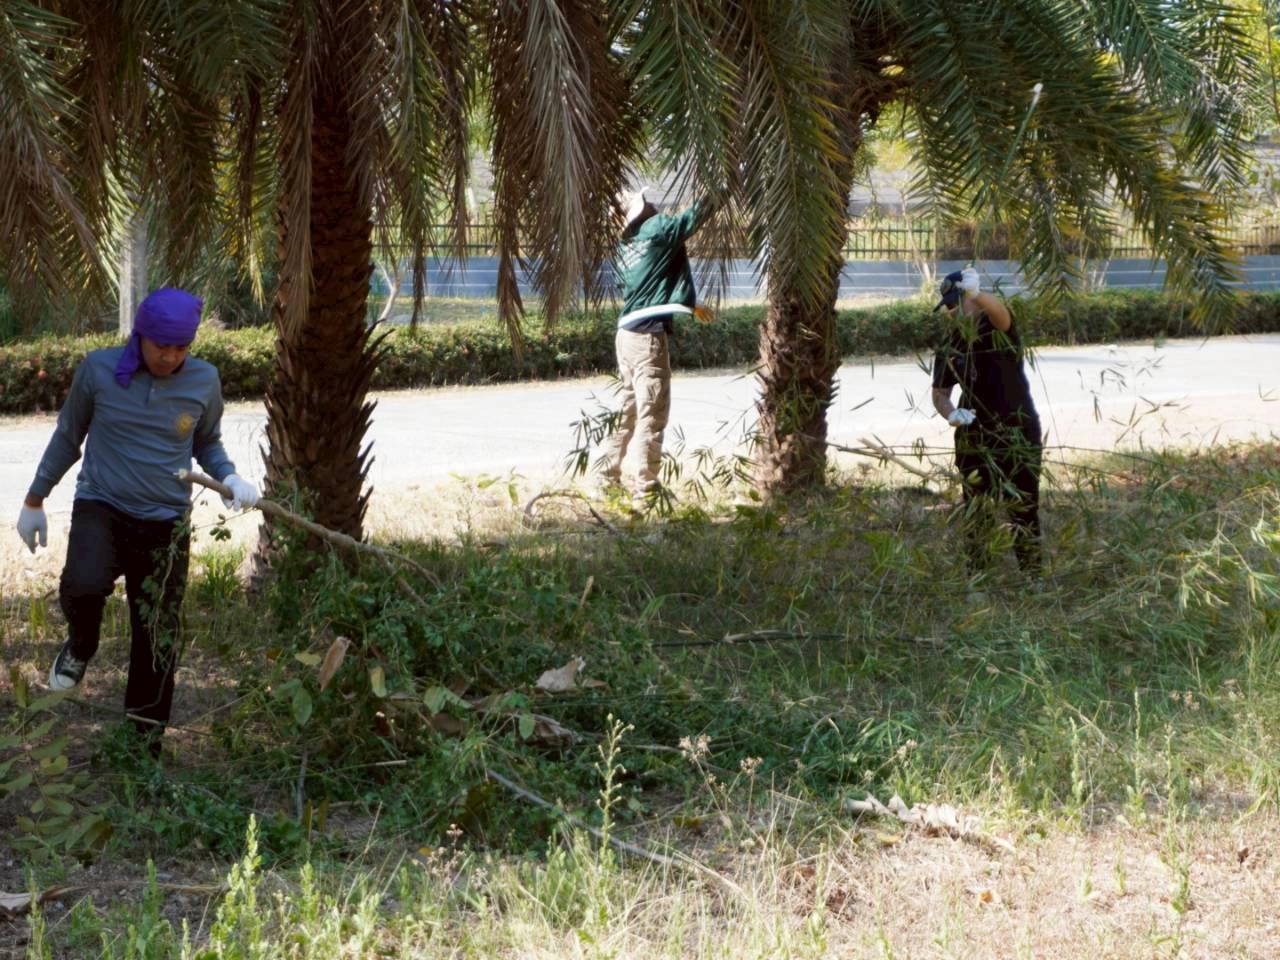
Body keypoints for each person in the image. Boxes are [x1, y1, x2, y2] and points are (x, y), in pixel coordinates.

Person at [15, 287, 259, 749]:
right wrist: (34, 499)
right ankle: (82, 645)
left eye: (181, 347)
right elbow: (69, 437)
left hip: (166, 523)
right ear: (140, 336)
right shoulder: (98, 370)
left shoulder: (204, 381)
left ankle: (141, 746)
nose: (170, 357)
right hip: (102, 506)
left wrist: (229, 476)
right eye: (161, 346)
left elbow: (206, 442)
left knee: (157, 635)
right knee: (82, 587)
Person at [598, 188, 714, 500]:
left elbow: (647, 285)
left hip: (625, 335)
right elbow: (695, 216)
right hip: (647, 338)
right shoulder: (660, 229)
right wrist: (722, 184)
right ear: (641, 210)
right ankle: (645, 492)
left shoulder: (627, 246)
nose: (652, 203)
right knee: (653, 414)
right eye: (645, 202)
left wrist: (687, 303)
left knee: (629, 411)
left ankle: (607, 478)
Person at [930, 268, 1043, 573]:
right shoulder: (950, 343)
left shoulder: (997, 329)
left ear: (976, 303)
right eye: (950, 305)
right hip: (974, 435)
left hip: (1017, 429)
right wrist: (951, 413)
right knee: (977, 509)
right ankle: (978, 575)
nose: (954, 311)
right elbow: (939, 392)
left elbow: (1002, 314)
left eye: (959, 302)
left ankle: (1033, 574)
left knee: (1023, 506)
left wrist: (977, 293)